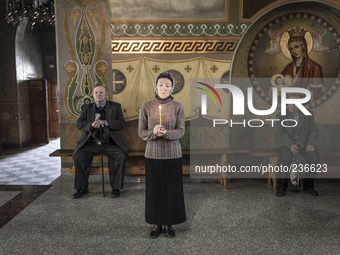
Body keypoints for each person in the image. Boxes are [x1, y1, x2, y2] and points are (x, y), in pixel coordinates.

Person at [138, 71, 186, 238]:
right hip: (153, 155)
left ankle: (169, 223)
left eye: (168, 85)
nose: (164, 88)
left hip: (173, 155)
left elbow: (180, 131)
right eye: (161, 85)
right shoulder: (146, 106)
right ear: (155, 87)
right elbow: (141, 132)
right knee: (155, 190)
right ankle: (156, 223)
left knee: (171, 190)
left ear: (172, 88)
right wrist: (153, 132)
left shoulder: (178, 107)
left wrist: (165, 132)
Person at [72, 84, 127, 199]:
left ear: (106, 95)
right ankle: (82, 188)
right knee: (79, 155)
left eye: (101, 92)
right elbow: (79, 124)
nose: (99, 94)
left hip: (111, 142)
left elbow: (121, 124)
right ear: (93, 95)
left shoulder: (116, 107)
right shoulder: (86, 108)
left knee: (120, 155)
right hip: (91, 143)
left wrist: (105, 122)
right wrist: (91, 124)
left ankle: (115, 189)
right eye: (96, 92)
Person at [275, 93, 320, 197]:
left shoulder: (308, 113)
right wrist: (290, 144)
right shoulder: (280, 115)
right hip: (286, 144)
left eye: (295, 103)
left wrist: (311, 144)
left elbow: (314, 131)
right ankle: (281, 187)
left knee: (314, 158)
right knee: (285, 157)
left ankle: (308, 186)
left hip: (304, 144)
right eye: (289, 102)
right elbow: (280, 133)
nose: (291, 105)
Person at [281, 28, 325, 102]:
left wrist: (302, 95)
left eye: (297, 47)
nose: (294, 51)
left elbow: (319, 93)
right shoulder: (288, 67)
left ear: (303, 47)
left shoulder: (314, 67)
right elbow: (276, 83)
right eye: (291, 49)